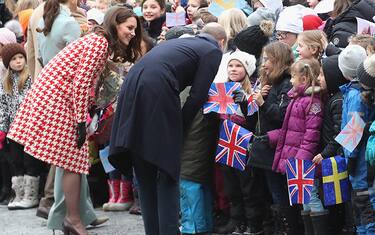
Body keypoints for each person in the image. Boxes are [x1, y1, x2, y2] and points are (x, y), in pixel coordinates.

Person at [6, 6, 143, 235]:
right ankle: (73, 219)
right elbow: (80, 83)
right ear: (115, 24)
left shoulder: (98, 41)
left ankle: (74, 217)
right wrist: (81, 121)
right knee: (72, 162)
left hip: (54, 96)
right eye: (129, 28)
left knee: (72, 162)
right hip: (57, 99)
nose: (131, 32)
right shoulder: (99, 43)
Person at [109, 22, 226, 235]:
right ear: (222, 43)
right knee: (166, 169)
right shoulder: (212, 51)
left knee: (144, 166)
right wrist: (180, 127)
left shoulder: (183, 44)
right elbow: (198, 95)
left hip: (133, 84)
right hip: (157, 86)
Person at [267, 58, 324, 235]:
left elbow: (311, 135)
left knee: (310, 196)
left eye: (293, 77)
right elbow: (290, 130)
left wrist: (301, 160)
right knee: (303, 198)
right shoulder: (297, 99)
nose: (290, 80)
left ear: (304, 79)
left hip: (304, 159)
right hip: (298, 158)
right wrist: (269, 137)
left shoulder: (312, 102)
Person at [0, 43, 45, 210]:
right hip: (13, 130)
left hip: (29, 128)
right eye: (13, 59)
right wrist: (3, 128)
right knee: (16, 161)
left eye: (21, 57)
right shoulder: (5, 82)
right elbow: (3, 106)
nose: (18, 62)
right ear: (7, 63)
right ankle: (18, 194)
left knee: (30, 161)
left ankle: (31, 195)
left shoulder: (30, 78)